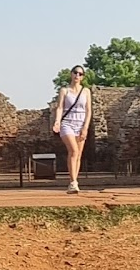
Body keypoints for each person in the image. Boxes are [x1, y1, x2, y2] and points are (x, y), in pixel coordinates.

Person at [52, 65, 92, 194]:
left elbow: (88, 111)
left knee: (78, 154)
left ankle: (74, 182)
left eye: (80, 74)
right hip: (67, 123)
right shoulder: (65, 90)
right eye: (75, 73)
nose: (77, 76)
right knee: (73, 150)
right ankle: (73, 182)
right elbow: (59, 107)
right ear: (71, 74)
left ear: (83, 77)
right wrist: (57, 121)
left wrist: (85, 127)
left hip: (81, 124)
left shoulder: (86, 91)